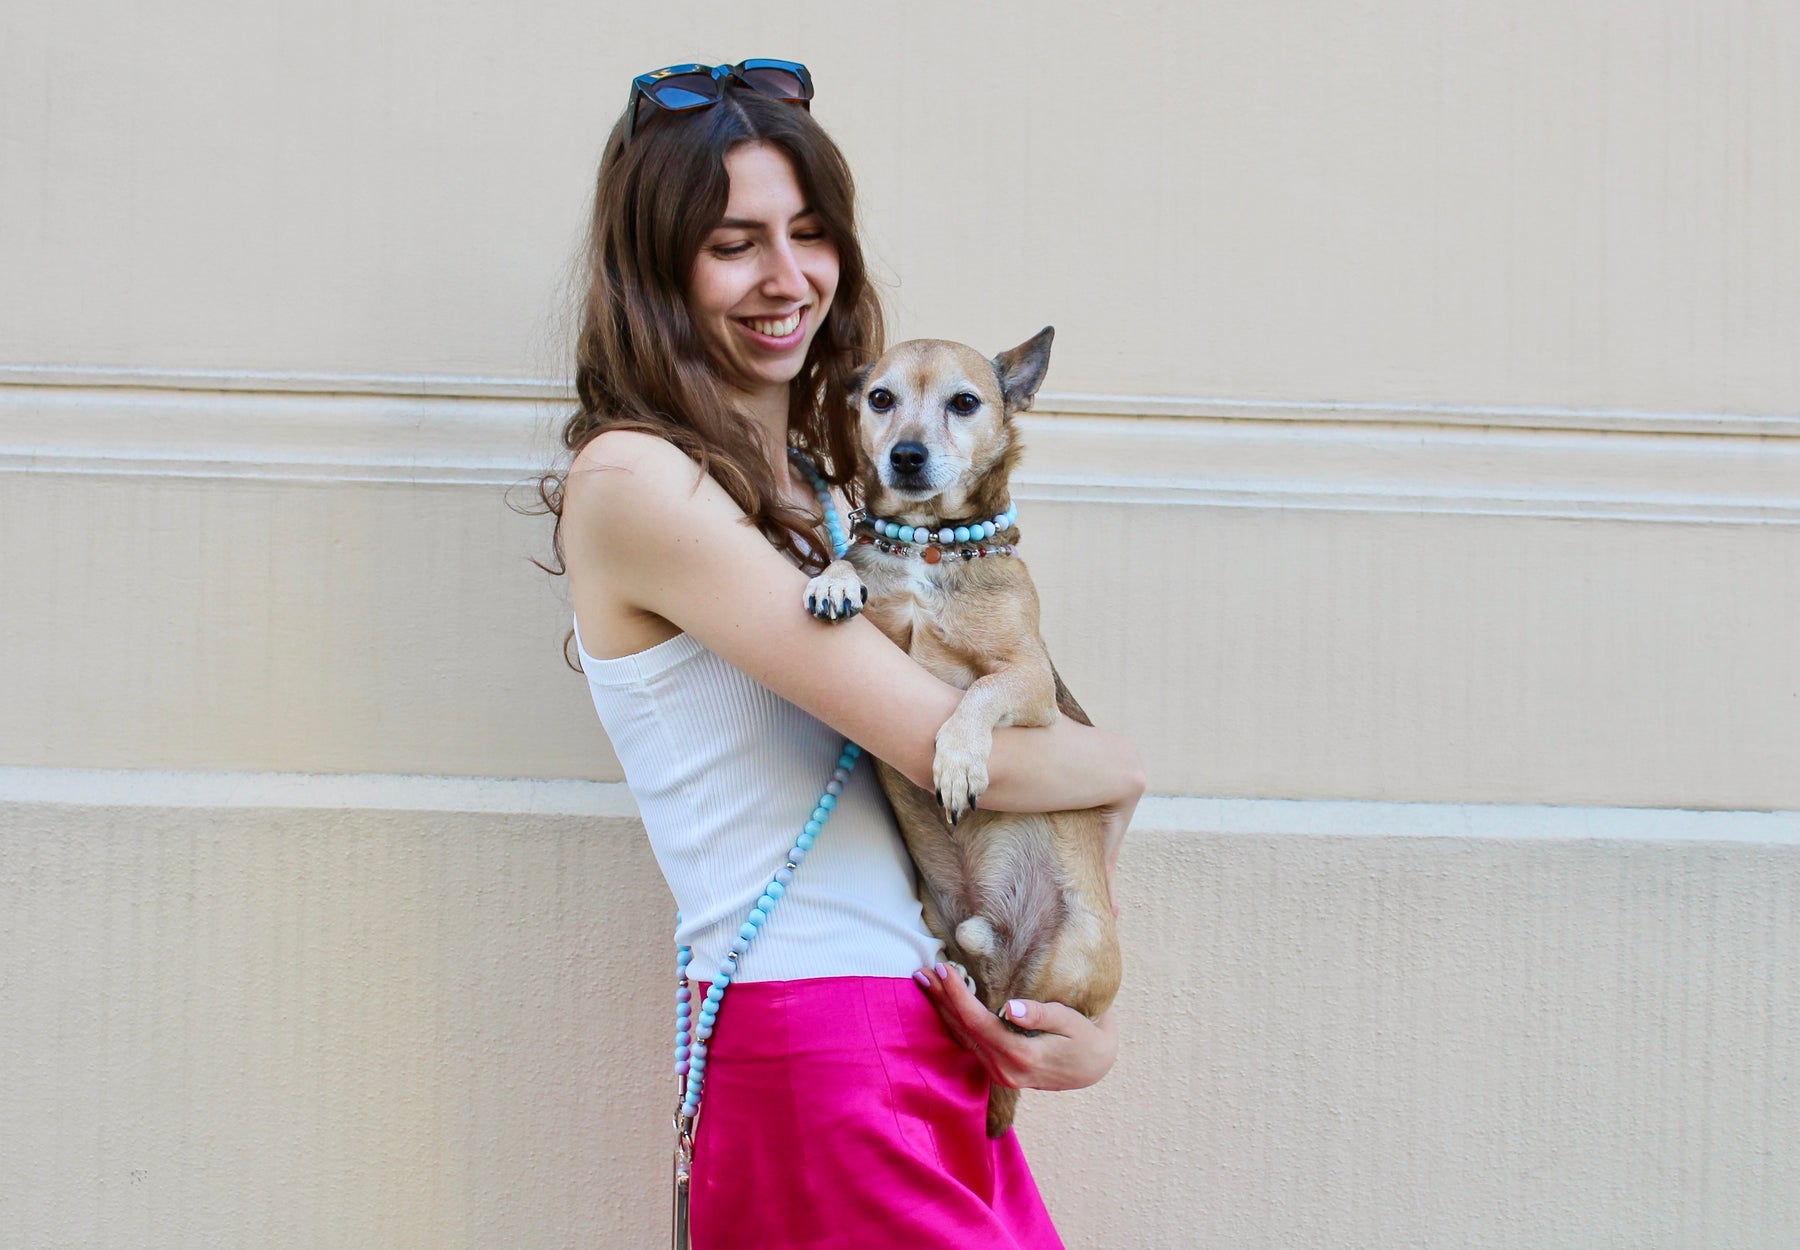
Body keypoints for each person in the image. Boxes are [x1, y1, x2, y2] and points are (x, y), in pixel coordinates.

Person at [540, 60, 1144, 1249]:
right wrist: (1122, 763)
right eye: (733, 242)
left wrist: (1071, 1003)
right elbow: (947, 749)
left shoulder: (824, 493)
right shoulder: (638, 484)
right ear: (658, 267)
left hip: (918, 1024)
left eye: (810, 233)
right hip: (824, 1037)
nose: (786, 277)